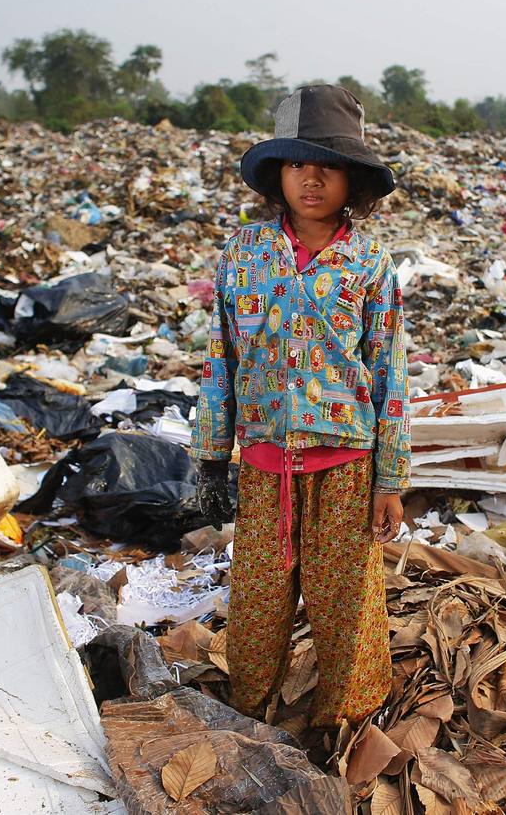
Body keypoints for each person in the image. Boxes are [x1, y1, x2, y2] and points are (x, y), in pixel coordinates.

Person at [192, 84, 410, 730]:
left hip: (345, 461)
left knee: (346, 602)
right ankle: (249, 711)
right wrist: (209, 455)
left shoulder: (368, 262)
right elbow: (220, 356)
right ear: (277, 177)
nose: (311, 179)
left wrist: (390, 479)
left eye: (328, 166)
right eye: (296, 165)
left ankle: (345, 721)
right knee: (258, 600)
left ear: (354, 182)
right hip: (263, 460)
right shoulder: (245, 252)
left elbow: (388, 369)